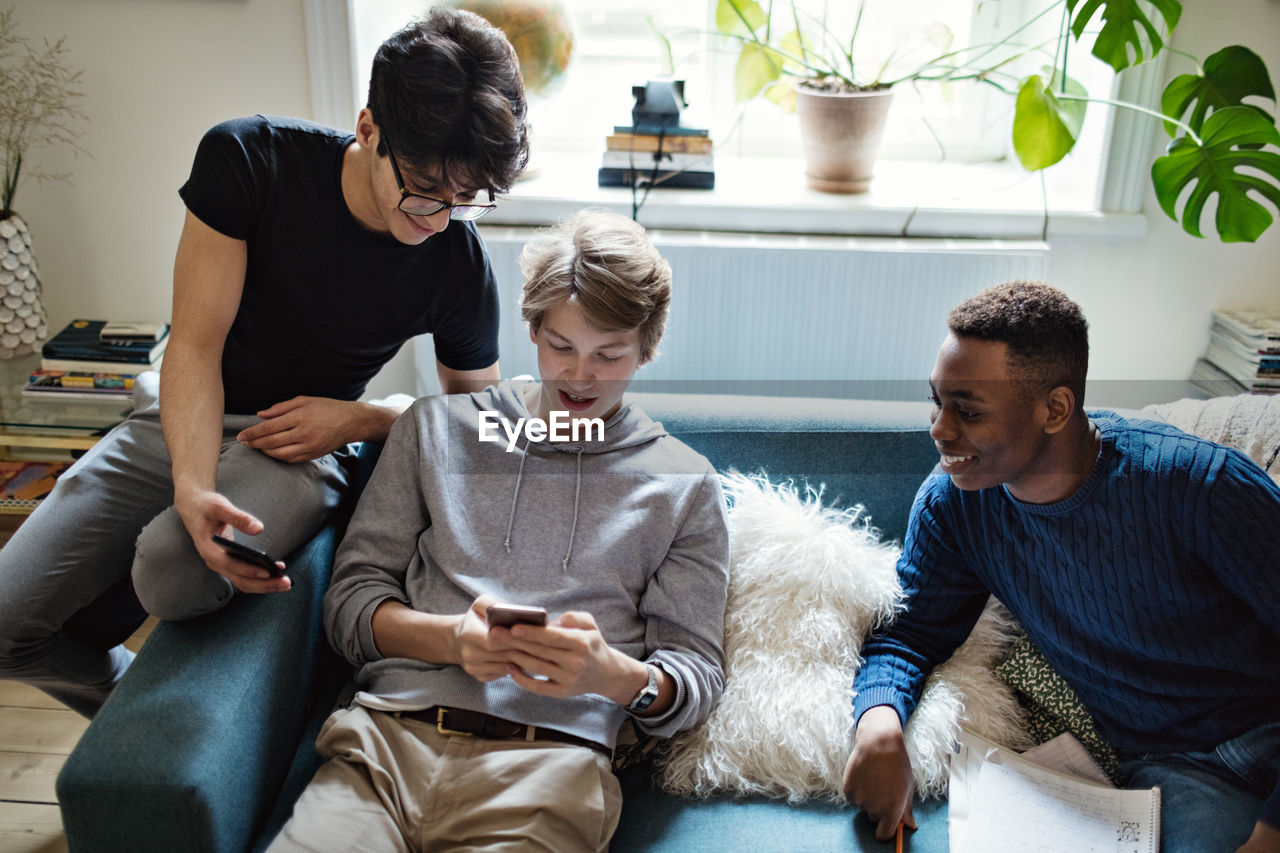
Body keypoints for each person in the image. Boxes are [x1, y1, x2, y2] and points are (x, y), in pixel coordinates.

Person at [0, 6, 529, 718]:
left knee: (169, 575)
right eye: (424, 190)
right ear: (368, 129)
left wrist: (367, 418)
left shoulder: (459, 264)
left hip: (300, 451)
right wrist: (190, 483)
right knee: (5, 621)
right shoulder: (249, 160)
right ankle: (116, 703)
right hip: (187, 408)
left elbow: (477, 418)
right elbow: (194, 344)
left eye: (466, 200)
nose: (437, 218)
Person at [265, 210, 730, 852]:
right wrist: (453, 641)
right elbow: (349, 606)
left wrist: (611, 676)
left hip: (551, 771)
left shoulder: (687, 485)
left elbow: (696, 675)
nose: (579, 377)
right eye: (561, 347)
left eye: (610, 355)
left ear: (647, 349)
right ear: (532, 330)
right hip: (384, 748)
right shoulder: (434, 429)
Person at [843, 281, 1280, 853]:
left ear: (1055, 409)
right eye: (937, 401)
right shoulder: (955, 503)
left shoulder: (1201, 487)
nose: (940, 430)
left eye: (968, 411)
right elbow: (911, 632)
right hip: (1180, 769)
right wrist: (878, 726)